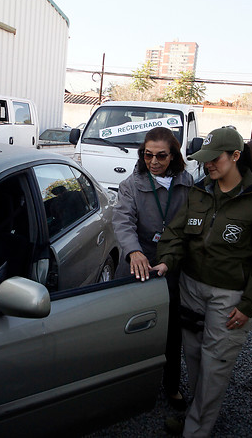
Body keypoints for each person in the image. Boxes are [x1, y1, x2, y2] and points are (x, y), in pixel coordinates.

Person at [153, 126, 252, 437]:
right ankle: (199, 413)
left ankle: (196, 430)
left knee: (215, 365)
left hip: (229, 297)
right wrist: (167, 260)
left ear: (236, 156)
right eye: (204, 159)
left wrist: (249, 304)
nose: (207, 165)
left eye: (214, 159)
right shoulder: (199, 193)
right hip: (191, 290)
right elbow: (175, 234)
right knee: (194, 359)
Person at [112, 126, 193, 410]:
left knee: (172, 330)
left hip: (171, 266)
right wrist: (133, 251)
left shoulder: (187, 183)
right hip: (138, 264)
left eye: (161, 156)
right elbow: (123, 221)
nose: (154, 162)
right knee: (130, 328)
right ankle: (126, 386)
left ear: (173, 156)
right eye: (148, 156)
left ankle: (171, 385)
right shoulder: (131, 185)